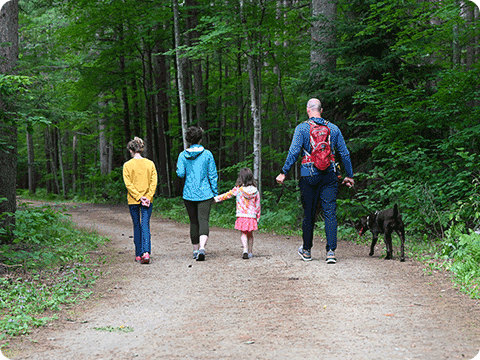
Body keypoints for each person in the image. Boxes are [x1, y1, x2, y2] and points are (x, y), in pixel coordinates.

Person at [276, 98, 354, 264]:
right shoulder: (333, 128)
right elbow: (345, 153)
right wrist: (350, 175)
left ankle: (307, 250)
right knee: (330, 213)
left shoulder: (302, 128)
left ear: (308, 110)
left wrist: (284, 173)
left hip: (308, 175)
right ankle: (331, 252)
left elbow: (294, 152)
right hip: (329, 175)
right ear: (321, 110)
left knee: (309, 214)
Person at [176, 126, 218, 261]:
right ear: (200, 138)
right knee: (203, 220)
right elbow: (212, 175)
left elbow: (180, 173)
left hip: (189, 194)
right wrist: (215, 192)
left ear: (188, 139)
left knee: (193, 222)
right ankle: (202, 248)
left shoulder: (182, 155)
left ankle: (195, 250)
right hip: (205, 193)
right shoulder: (207, 154)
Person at [123, 137, 158, 264]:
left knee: (137, 225)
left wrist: (138, 197)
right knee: (145, 225)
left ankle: (138, 254)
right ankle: (146, 253)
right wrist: (147, 197)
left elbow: (128, 184)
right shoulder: (150, 164)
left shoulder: (127, 165)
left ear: (131, 150)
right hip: (148, 201)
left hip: (133, 201)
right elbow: (153, 183)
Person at [214, 168, 261, 259]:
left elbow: (228, 194)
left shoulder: (238, 189)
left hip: (241, 215)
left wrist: (216, 199)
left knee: (243, 233)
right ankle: (250, 252)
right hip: (251, 216)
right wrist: (257, 217)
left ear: (241, 178)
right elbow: (258, 205)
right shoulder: (255, 191)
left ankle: (245, 250)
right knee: (250, 235)